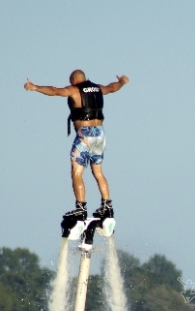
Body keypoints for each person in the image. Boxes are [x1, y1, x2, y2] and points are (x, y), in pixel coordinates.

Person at [24, 70, 129, 225]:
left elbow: (54, 91)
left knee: (77, 172)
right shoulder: (98, 88)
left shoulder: (74, 89)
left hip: (85, 135)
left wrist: (35, 87)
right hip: (100, 134)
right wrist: (122, 82)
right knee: (98, 172)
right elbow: (112, 87)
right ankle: (107, 206)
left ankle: (81, 208)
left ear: (74, 80)